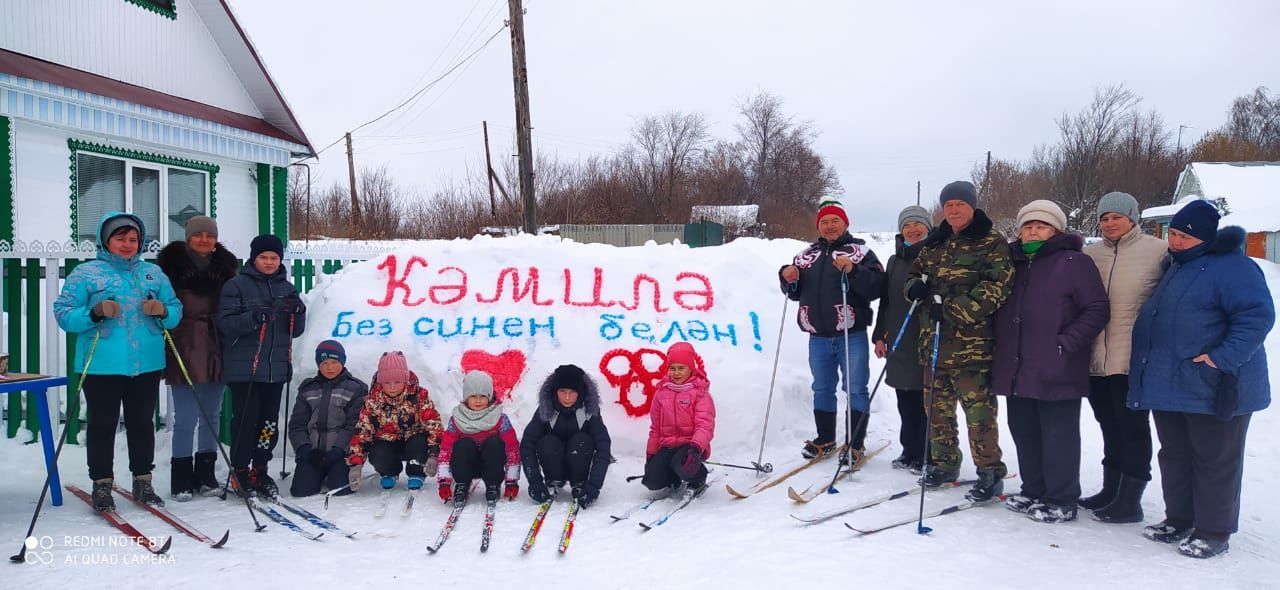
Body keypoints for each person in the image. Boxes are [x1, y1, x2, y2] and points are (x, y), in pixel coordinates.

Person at [1129, 200, 1274, 559]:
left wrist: (1220, 359)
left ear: (1207, 238)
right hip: (1171, 383)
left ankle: (1213, 530)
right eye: (1173, 234)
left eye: (1184, 236)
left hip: (1216, 383)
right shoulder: (1176, 266)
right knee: (1175, 455)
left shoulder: (1234, 268)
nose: (1175, 242)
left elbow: (1257, 317)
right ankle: (1179, 518)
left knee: (1214, 459)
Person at [54, 212, 183, 511]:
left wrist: (163, 310)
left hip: (146, 362)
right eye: (120, 238)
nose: (127, 244)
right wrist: (93, 313)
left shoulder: (153, 273)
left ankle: (143, 481)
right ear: (105, 240)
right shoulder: (86, 274)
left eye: (133, 239)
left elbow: (176, 310)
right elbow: (63, 314)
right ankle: (101, 484)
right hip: (101, 364)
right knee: (102, 424)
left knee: (142, 423)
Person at [993, 200, 1109, 523]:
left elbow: (1097, 308)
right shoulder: (1012, 263)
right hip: (1016, 365)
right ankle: (1033, 490)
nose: (1033, 230)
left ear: (1056, 230)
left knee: (1058, 435)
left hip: (1056, 366)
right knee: (1025, 431)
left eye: (1041, 225)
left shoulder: (1073, 262)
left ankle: (1061, 498)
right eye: (1028, 225)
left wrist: (1065, 343)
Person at [903, 181, 1012, 502]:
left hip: (971, 348)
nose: (953, 210)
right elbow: (913, 277)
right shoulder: (935, 242)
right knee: (936, 412)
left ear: (972, 206)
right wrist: (914, 290)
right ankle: (944, 463)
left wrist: (949, 310)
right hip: (933, 345)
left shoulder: (990, 241)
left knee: (978, 415)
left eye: (959, 205)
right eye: (948, 205)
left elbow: (996, 289)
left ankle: (990, 472)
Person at [1081, 192, 1168, 523]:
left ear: (1133, 218)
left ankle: (1130, 500)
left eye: (1117, 216)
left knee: (1132, 427)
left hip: (1133, 359)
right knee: (1107, 425)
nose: (1110, 223)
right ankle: (1110, 489)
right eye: (1104, 218)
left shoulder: (1158, 252)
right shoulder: (1090, 255)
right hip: (1095, 358)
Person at [779, 197, 885, 461]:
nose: (829, 226)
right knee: (822, 388)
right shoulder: (806, 256)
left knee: (856, 388)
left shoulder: (861, 252)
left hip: (852, 334)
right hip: (818, 336)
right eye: (824, 222)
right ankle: (825, 439)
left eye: (834, 221)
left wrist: (854, 271)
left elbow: (878, 287)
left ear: (845, 223)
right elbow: (794, 293)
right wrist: (786, 276)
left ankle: (855, 444)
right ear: (818, 226)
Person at [155, 215, 238, 501]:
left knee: (211, 415)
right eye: (198, 234)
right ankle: (181, 478)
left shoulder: (227, 270)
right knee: (186, 416)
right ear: (188, 237)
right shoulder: (170, 268)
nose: (204, 239)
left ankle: (206, 474)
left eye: (210, 235)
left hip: (216, 344)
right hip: (184, 342)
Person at [217, 233, 306, 499]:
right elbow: (226, 324)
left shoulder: (287, 288)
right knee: (246, 421)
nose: (269, 262)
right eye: (263, 257)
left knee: (268, 423)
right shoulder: (237, 286)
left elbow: (296, 331)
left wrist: (298, 313)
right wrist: (253, 318)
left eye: (274, 258)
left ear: (280, 260)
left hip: (275, 368)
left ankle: (261, 468)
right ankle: (241, 470)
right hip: (245, 369)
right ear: (254, 258)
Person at [873, 205, 933, 473]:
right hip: (898, 335)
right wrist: (879, 334)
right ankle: (909, 449)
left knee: (925, 400)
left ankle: (928, 453)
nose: (912, 229)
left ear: (928, 228)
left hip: (925, 337)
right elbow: (885, 301)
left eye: (917, 224)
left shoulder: (936, 256)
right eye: (907, 225)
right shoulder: (894, 261)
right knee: (904, 399)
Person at [345, 351, 442, 492]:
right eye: (387, 382)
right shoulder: (372, 401)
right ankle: (389, 472)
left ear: (405, 380)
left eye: (397, 382)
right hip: (387, 442)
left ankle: (416, 472)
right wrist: (356, 464)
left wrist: (433, 455)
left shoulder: (419, 396)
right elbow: (363, 432)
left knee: (418, 442)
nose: (391, 387)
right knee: (378, 452)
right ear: (380, 382)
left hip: (413, 442)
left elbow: (434, 425)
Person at [520, 365, 612, 508]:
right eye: (562, 391)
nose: (567, 397)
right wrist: (535, 483)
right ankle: (554, 481)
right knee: (547, 441)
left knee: (581, 441)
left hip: (579, 461)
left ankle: (579, 483)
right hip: (553, 463)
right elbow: (527, 444)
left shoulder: (589, 411)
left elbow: (603, 447)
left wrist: (593, 487)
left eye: (572, 392)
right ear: (555, 391)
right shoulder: (546, 409)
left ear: (580, 392)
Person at [287, 340, 369, 497]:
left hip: (340, 453)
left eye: (334, 362)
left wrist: (338, 450)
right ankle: (315, 472)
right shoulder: (308, 388)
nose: (329, 367)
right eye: (324, 363)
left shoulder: (355, 388)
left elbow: (354, 425)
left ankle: (333, 471)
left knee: (341, 489)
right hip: (313, 452)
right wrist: (305, 449)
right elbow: (297, 425)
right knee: (301, 491)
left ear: (342, 362)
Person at [641, 342, 716, 496]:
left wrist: (696, 449)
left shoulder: (699, 393)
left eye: (681, 368)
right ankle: (673, 475)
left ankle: (699, 477)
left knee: (682, 464)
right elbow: (655, 428)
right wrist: (651, 454)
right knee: (651, 481)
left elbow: (705, 426)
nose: (676, 373)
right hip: (668, 445)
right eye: (672, 368)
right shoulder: (661, 393)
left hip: (692, 446)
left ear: (691, 368)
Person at [437, 371, 521, 504]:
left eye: (482, 396)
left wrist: (511, 481)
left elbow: (512, 450)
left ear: (489, 396)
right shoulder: (457, 420)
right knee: (463, 444)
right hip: (467, 467)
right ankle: (462, 484)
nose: (478, 400)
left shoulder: (499, 418)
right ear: (466, 397)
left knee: (495, 443)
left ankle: (493, 485)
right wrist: (444, 482)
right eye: (473, 396)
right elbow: (446, 451)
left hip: (492, 466)